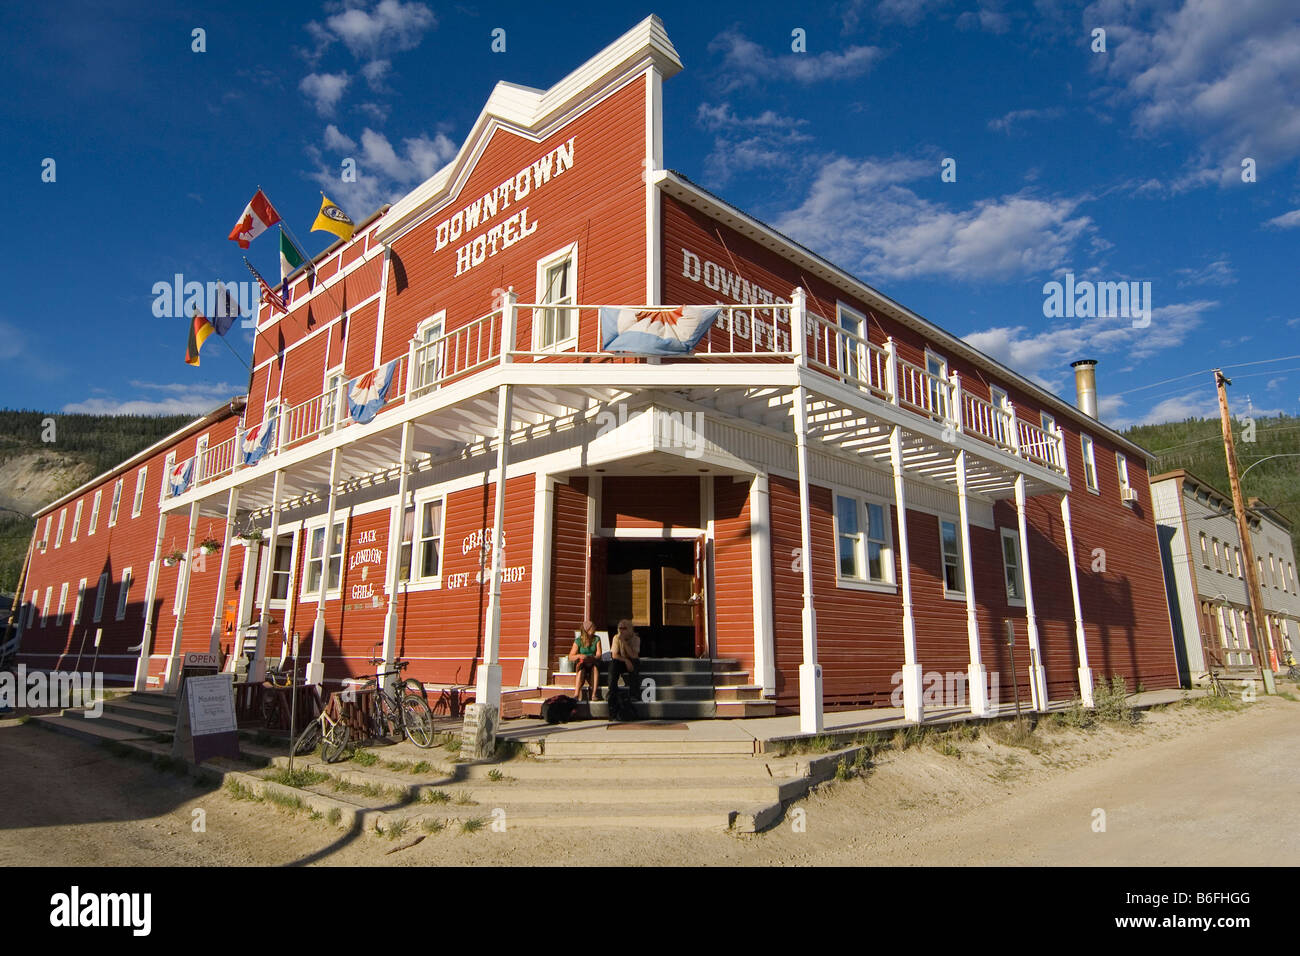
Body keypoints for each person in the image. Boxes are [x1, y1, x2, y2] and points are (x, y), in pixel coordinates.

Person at [606, 619, 640, 701]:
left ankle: (634, 694)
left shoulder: (636, 639)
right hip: (622, 661)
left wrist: (624, 642)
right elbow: (614, 655)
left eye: (624, 628)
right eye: (620, 628)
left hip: (632, 660)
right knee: (613, 664)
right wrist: (625, 660)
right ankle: (612, 693)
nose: (621, 630)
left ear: (630, 629)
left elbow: (634, 655)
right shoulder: (616, 638)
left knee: (635, 663)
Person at [568, 620, 602, 702]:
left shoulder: (596, 639)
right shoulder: (578, 641)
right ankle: (576, 694)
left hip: (592, 661)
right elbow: (570, 656)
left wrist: (593, 657)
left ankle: (594, 694)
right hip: (582, 662)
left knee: (595, 669)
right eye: (592, 628)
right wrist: (580, 655)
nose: (594, 629)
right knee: (580, 670)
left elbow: (599, 654)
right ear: (588, 629)